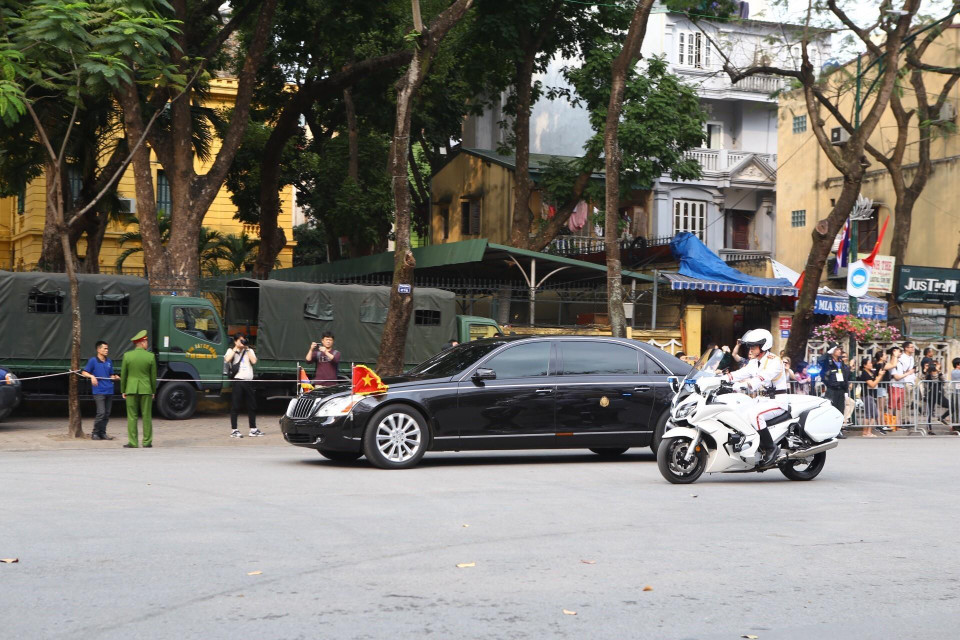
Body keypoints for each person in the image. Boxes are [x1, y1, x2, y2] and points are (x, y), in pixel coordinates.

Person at [725, 328, 788, 465]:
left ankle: (771, 449)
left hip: (776, 401)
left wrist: (743, 385)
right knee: (738, 411)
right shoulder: (754, 362)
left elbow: (761, 378)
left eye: (753, 346)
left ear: (763, 345)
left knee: (755, 415)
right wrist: (721, 379)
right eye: (750, 346)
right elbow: (741, 373)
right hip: (761, 400)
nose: (750, 349)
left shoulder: (774, 361)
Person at [120, 330, 157, 448]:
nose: (147, 344)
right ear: (142, 342)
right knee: (147, 415)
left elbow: (123, 375)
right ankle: (147, 442)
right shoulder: (150, 356)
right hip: (146, 389)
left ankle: (133, 442)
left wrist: (123, 390)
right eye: (146, 341)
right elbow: (153, 377)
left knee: (132, 416)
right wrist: (153, 391)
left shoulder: (127, 356)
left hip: (131, 389)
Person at [81, 341, 120, 440]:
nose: (107, 350)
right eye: (104, 348)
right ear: (98, 350)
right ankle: (95, 433)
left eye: (107, 348)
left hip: (109, 390)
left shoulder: (109, 361)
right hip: (99, 391)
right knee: (101, 412)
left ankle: (102, 433)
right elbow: (84, 372)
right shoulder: (93, 361)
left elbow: (110, 374)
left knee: (107, 413)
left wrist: (115, 377)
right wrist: (92, 376)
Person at [225, 334, 261, 438]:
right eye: (240, 341)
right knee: (236, 406)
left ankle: (253, 429)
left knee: (252, 405)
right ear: (235, 341)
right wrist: (236, 349)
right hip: (238, 381)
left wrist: (247, 349)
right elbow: (227, 359)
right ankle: (234, 430)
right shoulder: (230, 350)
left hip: (248, 381)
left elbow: (254, 361)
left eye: (244, 340)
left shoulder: (249, 350)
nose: (242, 342)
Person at [819, 343, 850, 438]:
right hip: (832, 389)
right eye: (836, 349)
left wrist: (846, 387)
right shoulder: (828, 361)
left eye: (839, 349)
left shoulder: (840, 361)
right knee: (832, 410)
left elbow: (845, 374)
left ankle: (838, 430)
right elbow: (820, 361)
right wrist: (828, 353)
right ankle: (830, 430)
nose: (839, 351)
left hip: (841, 388)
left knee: (840, 410)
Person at [857, 357, 885, 437]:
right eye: (869, 363)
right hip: (867, 395)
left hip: (872, 395)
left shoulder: (871, 372)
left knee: (874, 414)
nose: (871, 364)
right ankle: (866, 432)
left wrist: (879, 375)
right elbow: (872, 384)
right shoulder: (864, 373)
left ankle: (868, 431)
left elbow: (875, 381)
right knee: (869, 414)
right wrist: (879, 376)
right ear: (865, 365)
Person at [891, 343, 916, 423]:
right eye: (911, 347)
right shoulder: (902, 357)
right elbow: (902, 370)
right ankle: (903, 419)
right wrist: (908, 372)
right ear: (906, 348)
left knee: (909, 402)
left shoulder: (911, 358)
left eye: (913, 347)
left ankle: (907, 419)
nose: (913, 349)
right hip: (905, 381)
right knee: (904, 402)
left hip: (911, 380)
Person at [922, 360, 950, 433]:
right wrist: (925, 371)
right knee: (930, 412)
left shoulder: (939, 374)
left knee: (951, 406)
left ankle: (942, 417)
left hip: (939, 395)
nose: (935, 367)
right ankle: (929, 428)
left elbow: (944, 380)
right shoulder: (928, 375)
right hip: (930, 395)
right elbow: (922, 379)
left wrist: (939, 372)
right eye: (934, 365)